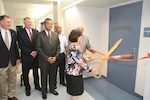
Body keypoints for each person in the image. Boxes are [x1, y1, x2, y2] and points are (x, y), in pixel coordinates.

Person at [66, 29, 95, 100]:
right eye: (80, 38)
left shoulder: (74, 45)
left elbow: (78, 57)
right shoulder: (74, 47)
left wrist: (88, 57)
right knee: (75, 93)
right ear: (77, 38)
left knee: (75, 93)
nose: (81, 39)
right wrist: (90, 69)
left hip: (75, 72)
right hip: (73, 73)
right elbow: (79, 61)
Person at [36, 18, 60, 99]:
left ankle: (52, 89)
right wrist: (47, 58)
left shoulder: (55, 35)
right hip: (44, 61)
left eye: (51, 24)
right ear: (45, 25)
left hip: (54, 60)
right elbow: (38, 48)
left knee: (53, 76)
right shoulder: (39, 35)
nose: (50, 25)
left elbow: (58, 48)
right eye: (48, 24)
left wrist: (55, 57)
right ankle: (44, 92)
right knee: (44, 77)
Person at [17, 17, 41, 96]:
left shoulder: (36, 32)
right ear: (24, 23)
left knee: (36, 73)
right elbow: (21, 45)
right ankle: (27, 88)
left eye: (31, 22)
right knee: (25, 74)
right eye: (28, 22)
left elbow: (39, 43)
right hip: (26, 57)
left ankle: (37, 86)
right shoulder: (20, 32)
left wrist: (36, 51)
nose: (30, 24)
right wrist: (30, 52)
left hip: (35, 57)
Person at [0, 15, 20, 100]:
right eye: (8, 22)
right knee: (2, 81)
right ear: (1, 22)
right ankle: (4, 97)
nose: (10, 24)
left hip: (12, 60)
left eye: (10, 22)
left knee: (13, 78)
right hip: (1, 61)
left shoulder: (13, 32)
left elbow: (15, 47)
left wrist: (18, 58)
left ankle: (11, 95)